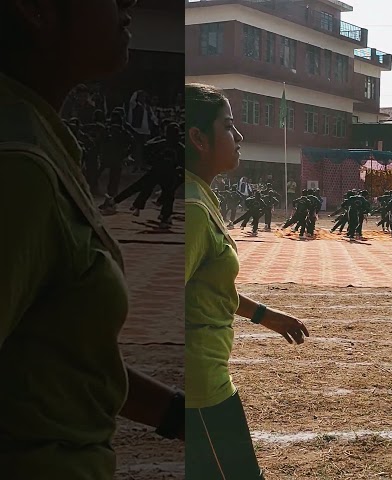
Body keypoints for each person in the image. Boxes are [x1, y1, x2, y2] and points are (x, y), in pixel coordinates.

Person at [0, 1, 185, 478]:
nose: (130, 7)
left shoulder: (38, 133)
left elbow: (59, 364)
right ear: (38, 10)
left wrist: (177, 415)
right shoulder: (20, 167)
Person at [184, 83, 309, 480]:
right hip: (200, 387)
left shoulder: (201, 196)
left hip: (206, 379)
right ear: (198, 138)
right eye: (229, 127)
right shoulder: (191, 208)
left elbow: (210, 286)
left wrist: (265, 316)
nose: (239, 137)